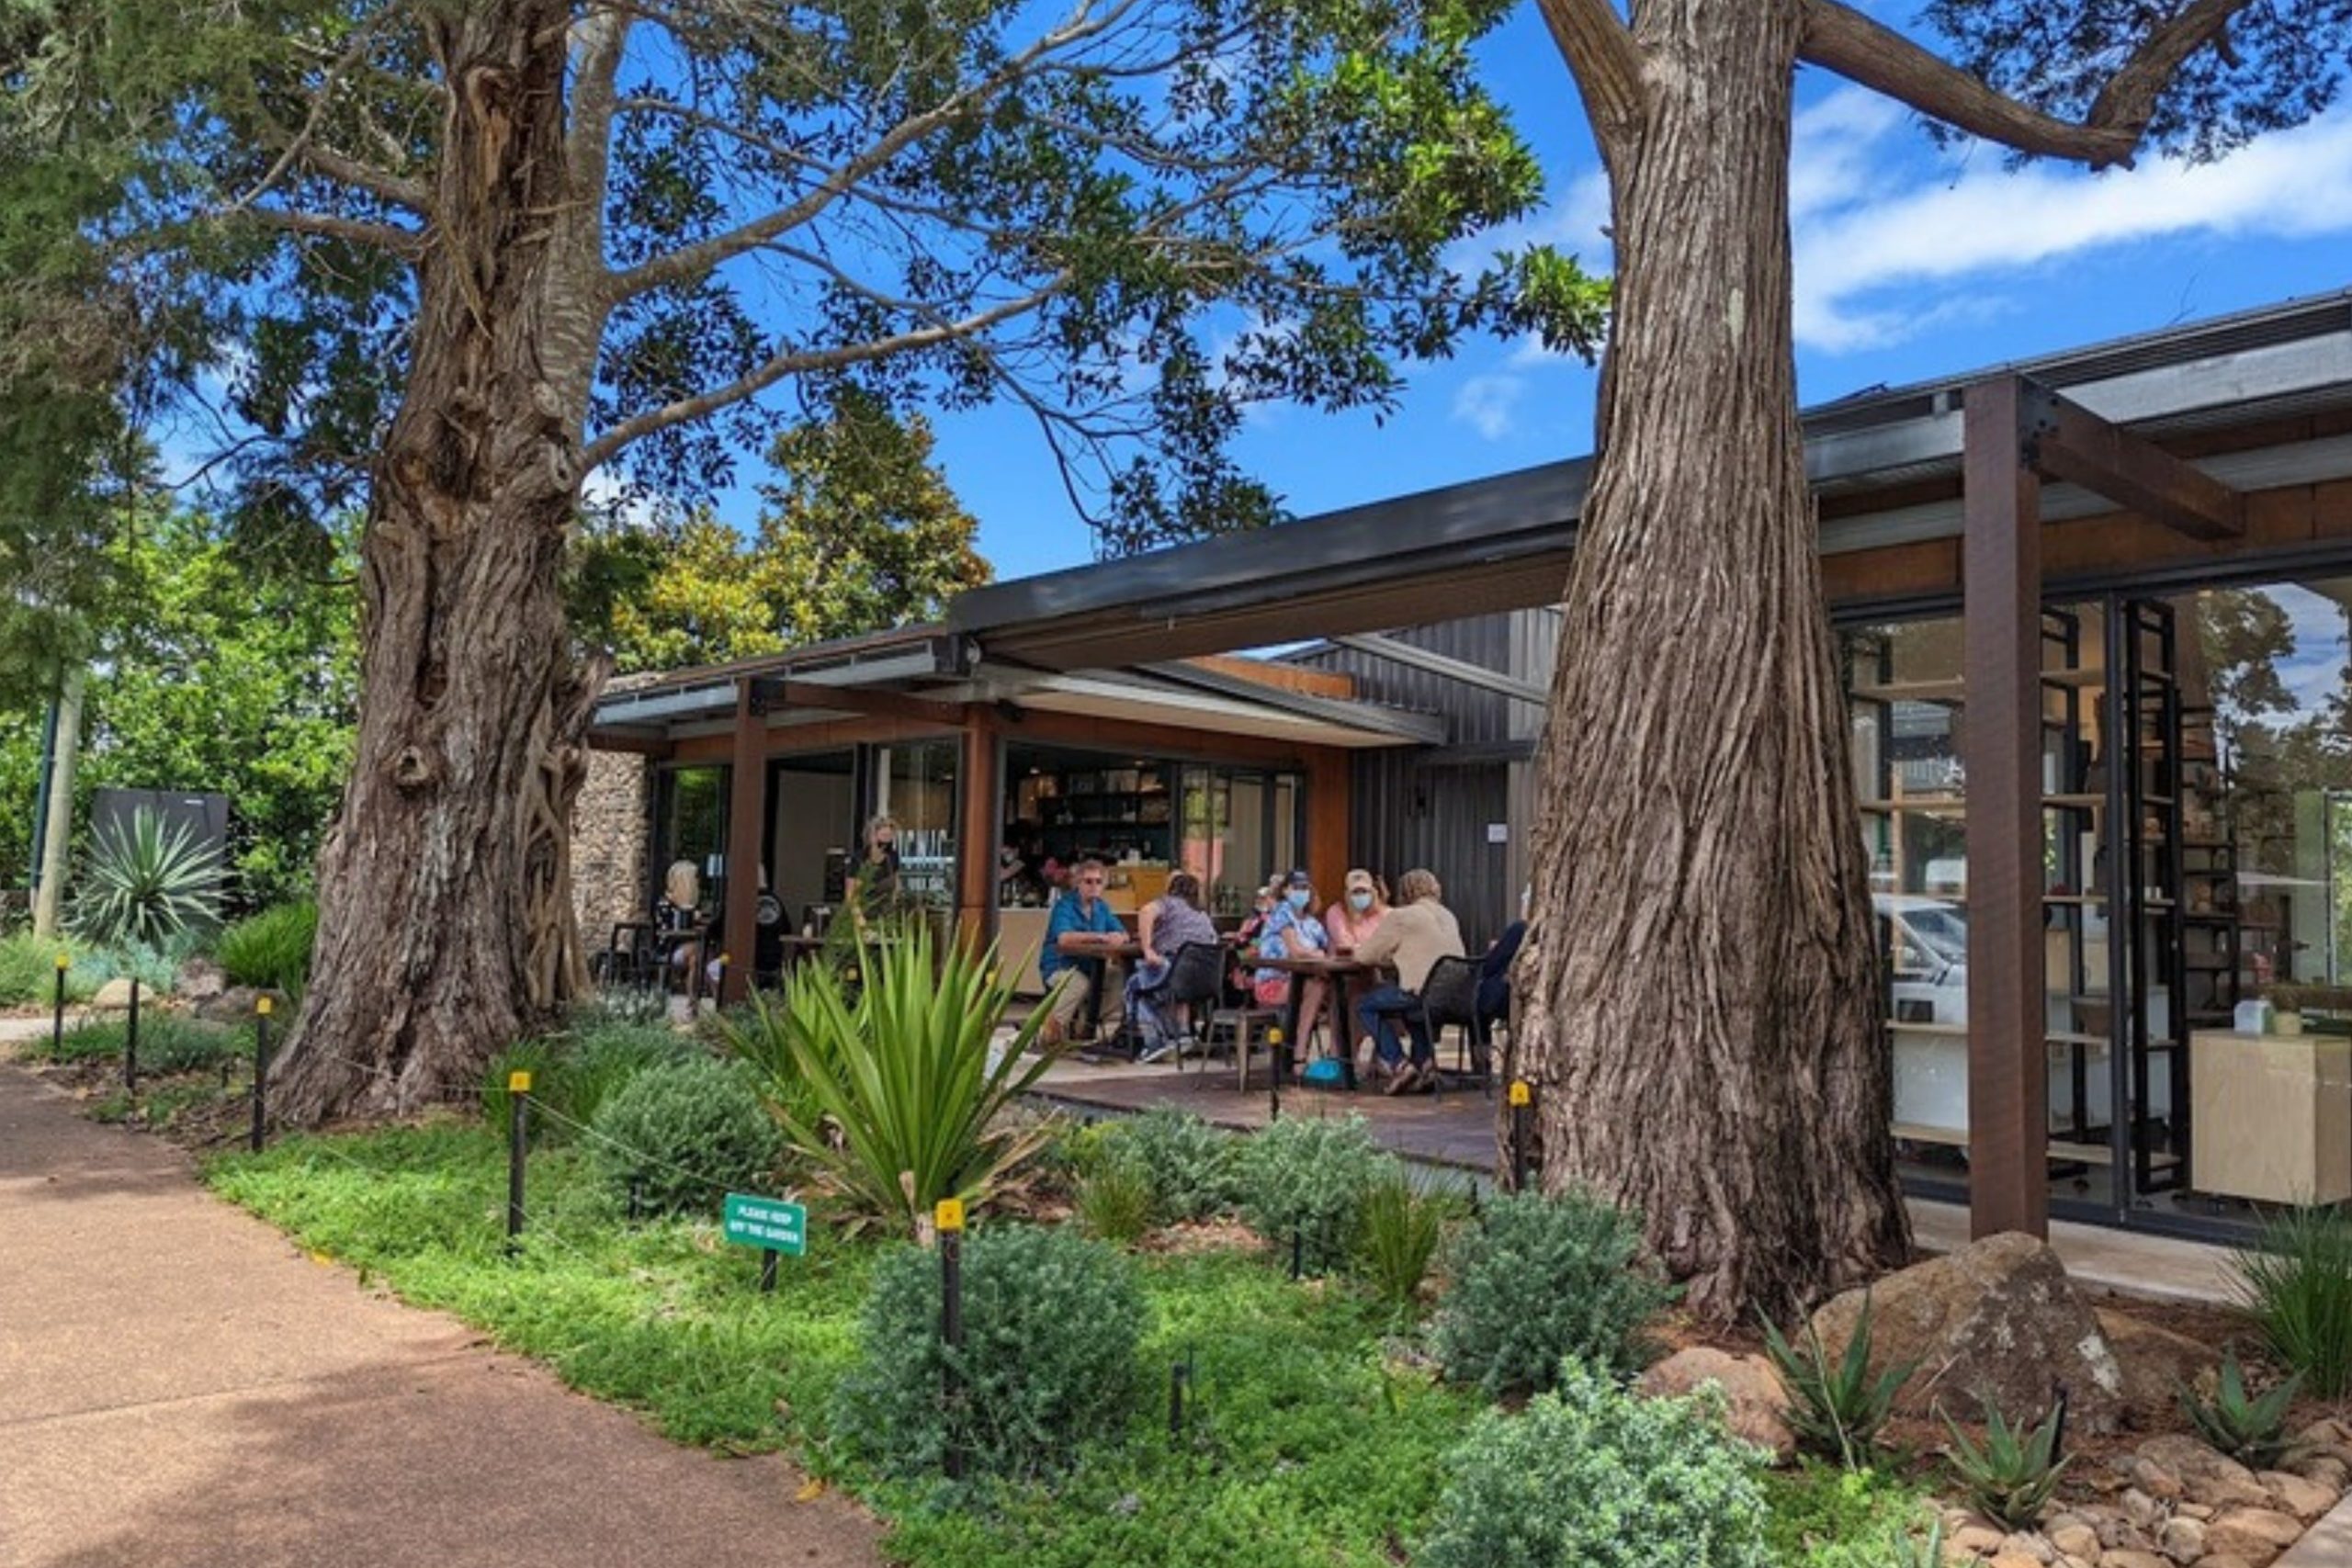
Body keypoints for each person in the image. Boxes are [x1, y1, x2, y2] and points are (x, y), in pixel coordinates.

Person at [1353, 867, 1465, 1093]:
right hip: (1456, 998)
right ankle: (1425, 1064)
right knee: (1410, 1003)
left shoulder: (1402, 916)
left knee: (1366, 1005)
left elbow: (1365, 956)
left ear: (1405, 891)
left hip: (1421, 994)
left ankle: (1398, 1064)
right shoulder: (1448, 915)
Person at [1127, 871, 1219, 1064]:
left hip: (1174, 971)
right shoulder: (1202, 915)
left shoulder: (1169, 903)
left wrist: (1147, 948)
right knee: (1171, 988)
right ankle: (1182, 1033)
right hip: (1204, 983)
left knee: (1135, 988)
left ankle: (1153, 1041)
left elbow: (1145, 911)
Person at [1039, 858, 1127, 1046]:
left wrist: (1120, 937)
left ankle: (1087, 1024)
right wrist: (1100, 937)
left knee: (1121, 977)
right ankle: (1051, 1030)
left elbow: (1121, 932)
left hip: (1092, 968)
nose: (1093, 886)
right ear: (1077, 883)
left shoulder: (1102, 908)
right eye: (1088, 881)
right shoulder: (1065, 905)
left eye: (1098, 881)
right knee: (1079, 983)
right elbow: (1064, 938)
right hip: (1059, 965)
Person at [1252, 868, 1334, 1053]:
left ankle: (1337, 1054)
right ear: (1285, 891)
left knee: (1345, 993)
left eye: (1305, 887)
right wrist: (1317, 954)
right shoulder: (1281, 913)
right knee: (1317, 987)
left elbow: (1330, 949)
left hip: (1303, 979)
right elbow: (1296, 951)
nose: (1302, 892)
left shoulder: (1312, 923)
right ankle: (1299, 1050)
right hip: (1273, 983)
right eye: (1296, 887)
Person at [1324, 868, 1388, 952]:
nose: (1360, 895)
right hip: (1345, 962)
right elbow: (1344, 943)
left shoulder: (1383, 913)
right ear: (1347, 894)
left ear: (1373, 893)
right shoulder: (1336, 912)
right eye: (1355, 892)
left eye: (1364, 891)